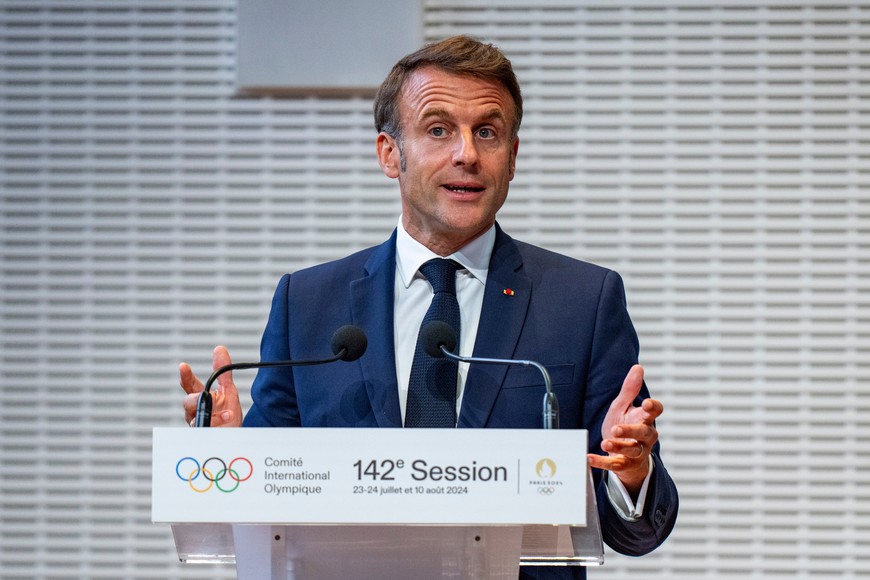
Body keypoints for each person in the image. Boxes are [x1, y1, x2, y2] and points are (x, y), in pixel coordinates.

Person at [180, 35, 677, 578]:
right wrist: (231, 458)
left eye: (487, 131)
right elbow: (266, 504)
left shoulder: (582, 301)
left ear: (512, 157)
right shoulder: (309, 303)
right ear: (390, 153)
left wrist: (631, 473)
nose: (467, 152)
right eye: (439, 129)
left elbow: (638, 530)